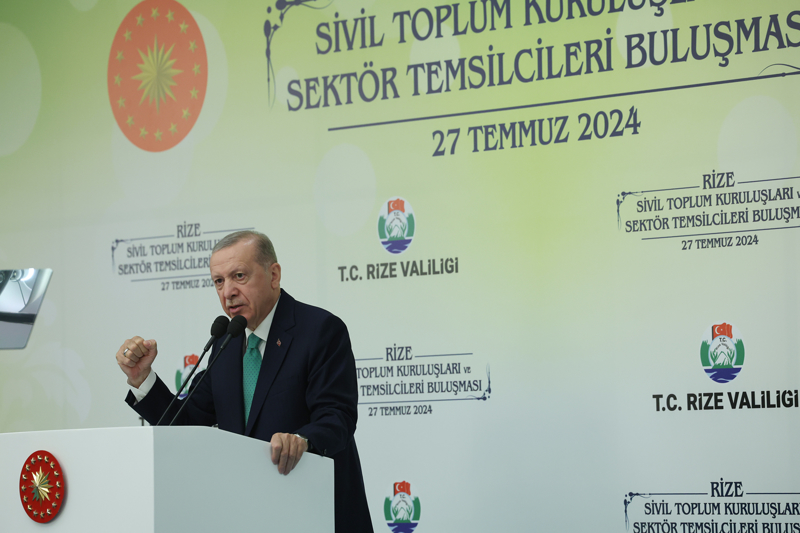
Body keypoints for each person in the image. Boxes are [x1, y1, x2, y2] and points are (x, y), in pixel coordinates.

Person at [115, 230, 373, 533]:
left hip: (315, 512)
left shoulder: (319, 330)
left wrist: (302, 440)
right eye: (218, 281)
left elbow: (337, 416)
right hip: (249, 515)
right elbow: (185, 422)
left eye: (239, 276)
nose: (228, 292)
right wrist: (142, 378)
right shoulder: (226, 342)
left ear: (273, 275)